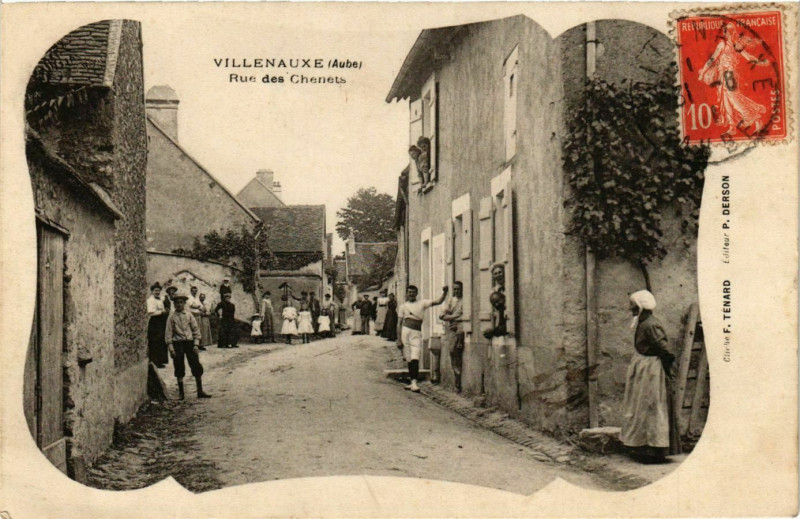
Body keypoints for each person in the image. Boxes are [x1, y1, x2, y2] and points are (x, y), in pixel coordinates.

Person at [620, 290, 680, 463]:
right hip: (644, 369)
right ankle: (643, 447)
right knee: (642, 407)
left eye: (632, 305)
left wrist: (666, 370)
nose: (630, 308)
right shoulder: (643, 322)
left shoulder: (651, 325)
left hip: (652, 371)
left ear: (640, 307)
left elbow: (665, 350)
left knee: (652, 406)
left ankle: (654, 450)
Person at [698, 22, 770, 136]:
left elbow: (748, 57)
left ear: (731, 33)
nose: (728, 34)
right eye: (727, 31)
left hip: (729, 75)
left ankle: (752, 115)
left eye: (729, 31)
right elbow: (712, 59)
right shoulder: (725, 45)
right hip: (723, 75)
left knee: (734, 99)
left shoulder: (735, 46)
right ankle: (733, 127)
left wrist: (760, 62)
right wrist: (703, 71)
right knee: (726, 101)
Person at [397, 284, 448, 393]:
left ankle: (414, 383)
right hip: (405, 333)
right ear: (407, 293)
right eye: (409, 292)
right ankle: (412, 382)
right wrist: (398, 339)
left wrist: (445, 293)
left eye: (413, 292)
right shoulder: (403, 307)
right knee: (409, 358)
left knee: (415, 356)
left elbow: (438, 302)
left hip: (416, 333)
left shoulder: (422, 303)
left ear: (417, 293)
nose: (411, 294)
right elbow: (399, 324)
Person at [165, 293, 211, 399]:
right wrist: (171, 348)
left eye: (181, 302)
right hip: (178, 343)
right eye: (177, 303)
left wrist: (196, 344)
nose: (179, 305)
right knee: (179, 365)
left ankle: (200, 391)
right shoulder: (171, 317)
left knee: (195, 364)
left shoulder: (189, 315)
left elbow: (195, 329)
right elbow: (168, 334)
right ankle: (181, 394)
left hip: (190, 343)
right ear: (174, 304)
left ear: (184, 303)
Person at [440, 281, 465, 392]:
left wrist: (450, 317)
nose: (456, 291)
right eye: (454, 289)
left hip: (460, 328)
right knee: (451, 352)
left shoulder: (464, 300)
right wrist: (446, 314)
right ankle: (456, 377)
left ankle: (458, 380)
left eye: (458, 289)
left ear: (462, 289)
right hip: (452, 328)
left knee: (456, 351)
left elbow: (464, 316)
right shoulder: (452, 300)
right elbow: (444, 313)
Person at [146, 282, 169, 367]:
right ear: (152, 291)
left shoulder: (159, 299)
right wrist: (162, 312)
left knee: (161, 341)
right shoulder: (150, 300)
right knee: (155, 341)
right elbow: (151, 312)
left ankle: (160, 360)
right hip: (155, 323)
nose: (157, 292)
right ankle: (155, 362)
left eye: (159, 291)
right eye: (155, 290)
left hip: (161, 322)